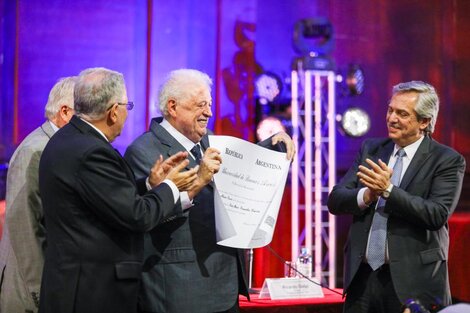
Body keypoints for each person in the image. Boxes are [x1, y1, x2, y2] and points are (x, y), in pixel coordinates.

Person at [124, 68, 295, 313]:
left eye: (210, 104)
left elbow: (238, 167)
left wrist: (273, 143)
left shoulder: (210, 140)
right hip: (179, 287)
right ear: (172, 107)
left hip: (224, 283)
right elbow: (148, 216)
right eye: (200, 105)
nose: (209, 113)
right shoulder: (144, 151)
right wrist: (200, 180)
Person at [38, 67, 198, 313]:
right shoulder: (93, 152)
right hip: (92, 293)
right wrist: (171, 186)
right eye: (127, 105)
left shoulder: (66, 139)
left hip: (74, 285)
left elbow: (98, 196)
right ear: (113, 112)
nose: (126, 112)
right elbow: (137, 216)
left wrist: (148, 184)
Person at [327, 81, 466, 313]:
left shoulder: (447, 160)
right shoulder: (371, 149)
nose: (392, 118)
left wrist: (389, 191)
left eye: (402, 114)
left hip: (414, 283)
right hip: (361, 279)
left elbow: (436, 214)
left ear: (424, 122)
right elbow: (336, 199)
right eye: (390, 110)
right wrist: (368, 195)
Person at [0, 76, 77, 313]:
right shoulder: (34, 150)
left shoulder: (55, 147)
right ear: (65, 112)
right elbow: (24, 226)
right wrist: (39, 292)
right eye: (85, 113)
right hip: (29, 292)